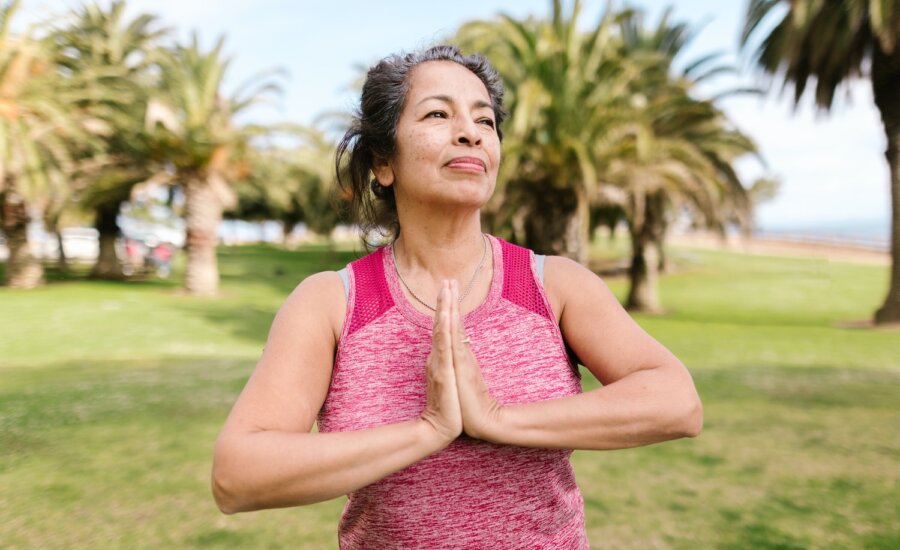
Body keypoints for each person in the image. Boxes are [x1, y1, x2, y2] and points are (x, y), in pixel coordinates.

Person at [211, 45, 703, 548]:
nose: (470, 132)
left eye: (485, 121)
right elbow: (238, 476)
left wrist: (495, 418)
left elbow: (677, 402)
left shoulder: (554, 286)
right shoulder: (331, 303)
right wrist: (428, 429)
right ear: (384, 162)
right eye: (438, 114)